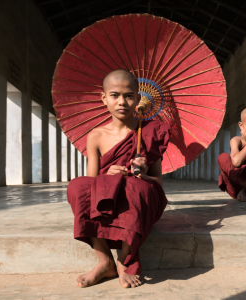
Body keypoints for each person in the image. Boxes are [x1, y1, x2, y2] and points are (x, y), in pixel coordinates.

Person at [67, 69, 171, 288]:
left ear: (138, 98)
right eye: (115, 95)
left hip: (139, 204)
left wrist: (143, 175)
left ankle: (124, 260)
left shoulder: (151, 131)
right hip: (107, 203)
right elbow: (91, 183)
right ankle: (104, 261)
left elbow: (158, 184)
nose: (122, 101)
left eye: (129, 95)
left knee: (137, 187)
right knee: (78, 186)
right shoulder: (96, 135)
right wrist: (108, 175)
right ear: (104, 99)